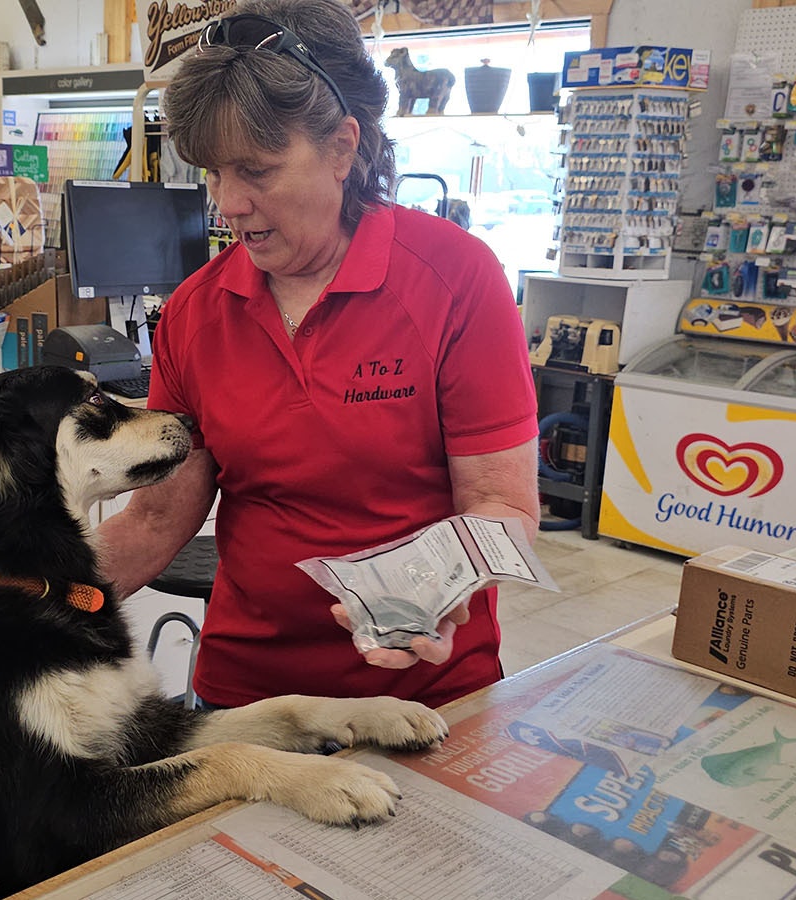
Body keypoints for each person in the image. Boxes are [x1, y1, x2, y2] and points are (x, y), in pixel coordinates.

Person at [96, 0, 539, 710]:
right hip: (250, 702)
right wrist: (29, 602)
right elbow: (155, 521)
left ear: (342, 149)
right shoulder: (194, 312)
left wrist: (443, 584)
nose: (227, 204)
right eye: (213, 173)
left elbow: (501, 504)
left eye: (256, 170)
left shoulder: (455, 278)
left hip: (425, 692)